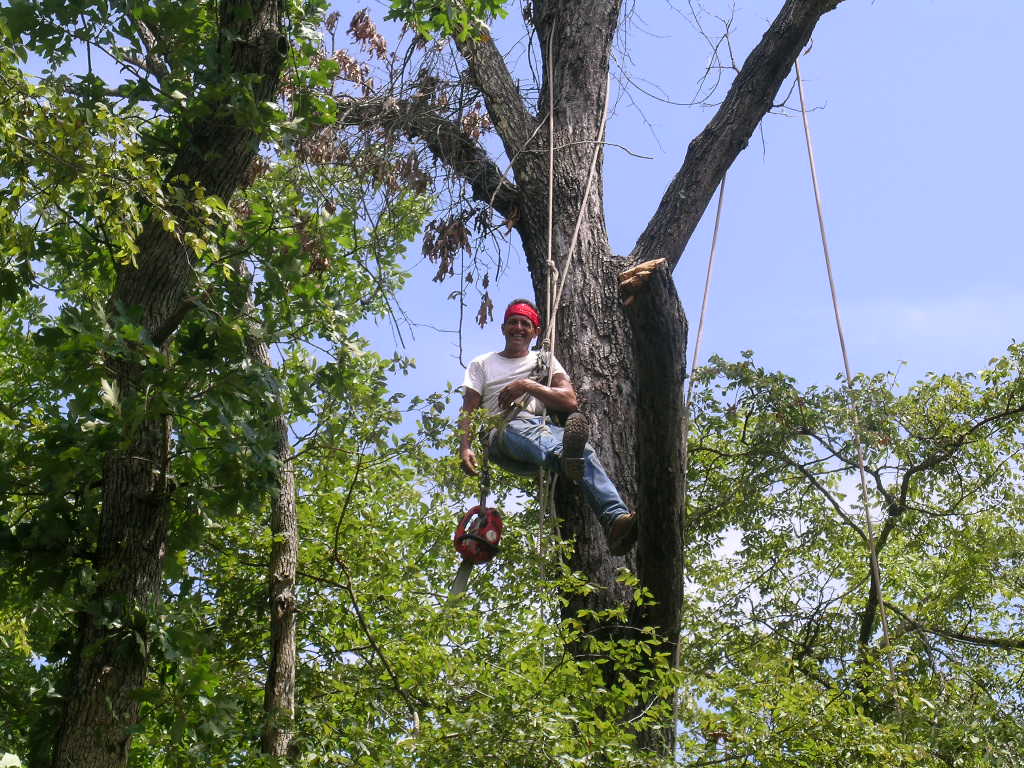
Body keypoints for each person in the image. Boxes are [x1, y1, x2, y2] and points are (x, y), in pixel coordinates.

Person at [459, 298, 637, 556]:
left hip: (541, 432)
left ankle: (615, 521)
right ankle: (566, 457)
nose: (518, 328)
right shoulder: (483, 363)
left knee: (584, 451)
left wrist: (528, 385)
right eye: (513, 322)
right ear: (503, 328)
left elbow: (569, 400)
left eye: (525, 324)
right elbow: (468, 408)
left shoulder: (543, 361)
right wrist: (465, 447)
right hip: (502, 433)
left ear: (536, 332)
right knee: (535, 436)